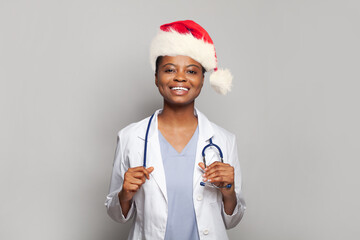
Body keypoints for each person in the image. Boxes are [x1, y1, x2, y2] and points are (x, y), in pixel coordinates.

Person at [105, 20, 246, 240]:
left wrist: (228, 191)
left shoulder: (224, 140)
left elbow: (231, 219)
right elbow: (116, 213)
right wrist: (124, 195)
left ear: (201, 80)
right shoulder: (130, 137)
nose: (180, 77)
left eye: (191, 71)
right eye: (169, 70)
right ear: (156, 78)